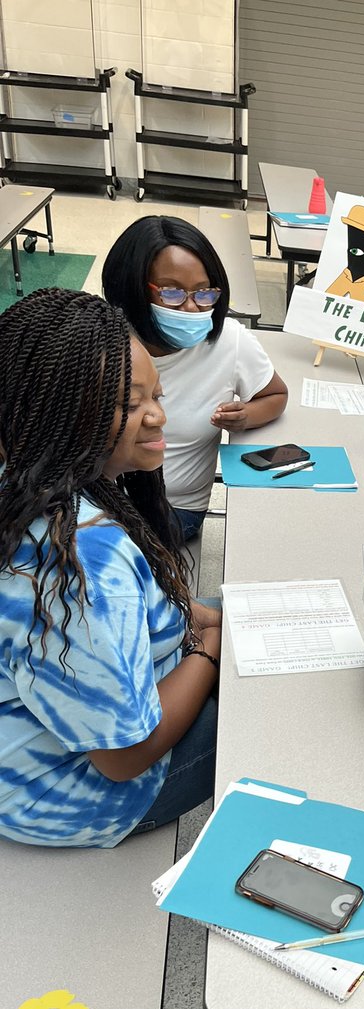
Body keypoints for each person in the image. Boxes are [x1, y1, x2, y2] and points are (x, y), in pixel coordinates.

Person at [0, 289, 220, 847]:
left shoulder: (27, 482)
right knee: (270, 700)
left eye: (157, 394)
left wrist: (197, 618)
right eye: (130, 403)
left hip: (26, 739)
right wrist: (207, 649)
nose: (159, 416)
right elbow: (123, 757)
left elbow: (135, 607)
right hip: (68, 792)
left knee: (252, 620)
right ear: (57, 411)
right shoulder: (85, 565)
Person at [102, 216, 288, 540]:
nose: (191, 308)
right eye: (171, 293)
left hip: (173, 509)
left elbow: (276, 395)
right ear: (131, 286)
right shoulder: (102, 340)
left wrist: (247, 416)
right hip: (100, 497)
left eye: (204, 294)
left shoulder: (229, 342)